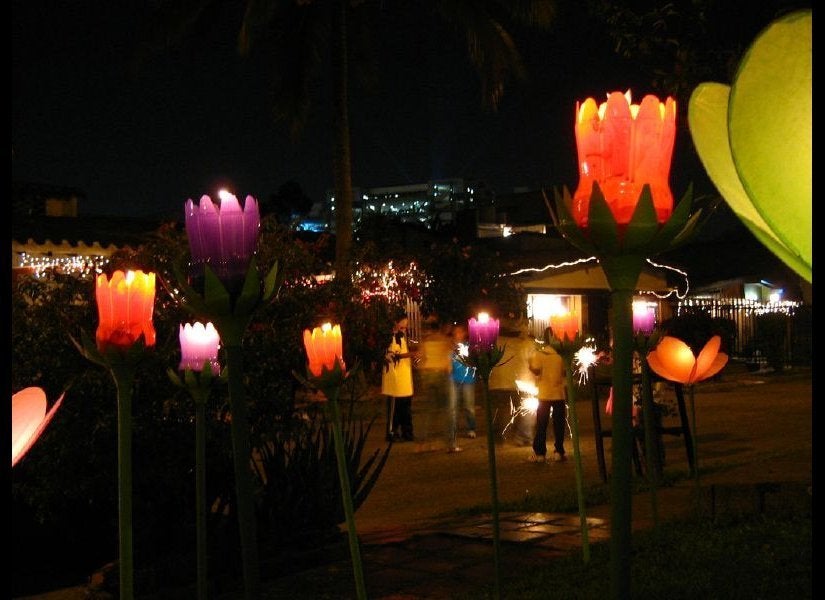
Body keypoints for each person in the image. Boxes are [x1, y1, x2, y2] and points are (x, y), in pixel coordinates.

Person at [527, 326, 568, 463]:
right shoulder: (561, 355)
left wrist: (530, 365)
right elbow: (565, 372)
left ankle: (540, 453)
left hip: (544, 395)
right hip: (559, 395)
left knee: (542, 425)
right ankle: (559, 451)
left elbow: (536, 371)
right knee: (559, 425)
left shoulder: (539, 355)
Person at [382, 314, 418, 442]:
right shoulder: (390, 338)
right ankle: (391, 432)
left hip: (404, 379)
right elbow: (393, 355)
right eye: (402, 326)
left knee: (405, 409)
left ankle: (407, 432)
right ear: (395, 323)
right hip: (394, 379)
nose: (404, 328)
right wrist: (411, 354)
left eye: (405, 327)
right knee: (394, 409)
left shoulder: (401, 338)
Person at [446, 323, 477, 453]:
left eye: (460, 332)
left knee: (469, 406)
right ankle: (452, 436)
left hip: (468, 379)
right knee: (453, 408)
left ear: (464, 334)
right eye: (456, 332)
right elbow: (447, 363)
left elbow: (473, 360)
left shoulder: (468, 346)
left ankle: (471, 427)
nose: (458, 335)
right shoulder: (449, 347)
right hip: (453, 379)